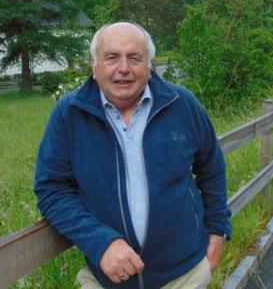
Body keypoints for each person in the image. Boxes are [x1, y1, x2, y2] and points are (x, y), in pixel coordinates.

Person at [34, 22, 232, 288]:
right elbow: (52, 190)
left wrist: (218, 232)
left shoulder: (181, 104)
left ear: (149, 65)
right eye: (112, 57)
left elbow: (212, 169)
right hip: (106, 280)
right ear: (94, 65)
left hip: (186, 275)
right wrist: (99, 242)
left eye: (134, 58)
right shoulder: (69, 114)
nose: (123, 68)